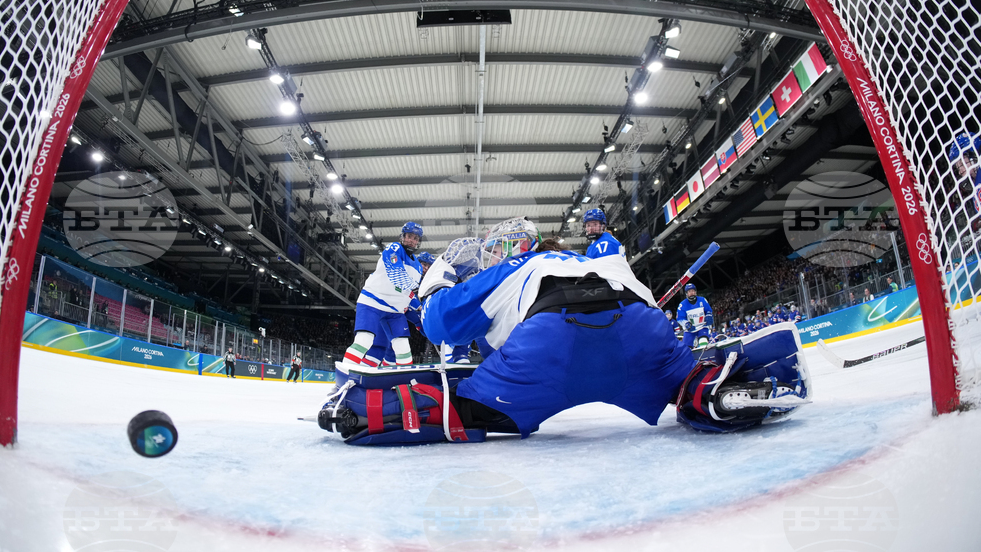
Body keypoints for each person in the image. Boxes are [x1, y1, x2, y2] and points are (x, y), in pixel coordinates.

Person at [318, 217, 812, 445]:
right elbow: (649, 308)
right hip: (640, 330)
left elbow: (440, 322)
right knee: (682, 380)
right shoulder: (596, 259)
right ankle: (719, 390)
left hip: (548, 350)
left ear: (515, 248)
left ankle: (363, 409)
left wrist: (438, 283)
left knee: (464, 405)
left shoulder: (514, 267)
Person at [342, 221, 424, 368]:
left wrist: (420, 308)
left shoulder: (418, 266)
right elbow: (395, 272)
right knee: (364, 340)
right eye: (409, 236)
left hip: (395, 311)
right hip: (372, 302)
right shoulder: (395, 248)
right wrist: (410, 289)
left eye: (416, 238)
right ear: (402, 236)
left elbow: (408, 294)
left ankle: (404, 381)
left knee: (403, 346)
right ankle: (345, 375)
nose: (412, 240)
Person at [676, 283, 713, 349]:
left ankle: (705, 358)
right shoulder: (682, 305)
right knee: (686, 349)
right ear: (686, 293)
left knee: (703, 343)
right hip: (690, 330)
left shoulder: (702, 300)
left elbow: (708, 310)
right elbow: (680, 318)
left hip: (702, 326)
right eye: (689, 291)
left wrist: (709, 316)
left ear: (695, 292)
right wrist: (686, 324)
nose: (692, 293)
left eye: (693, 291)